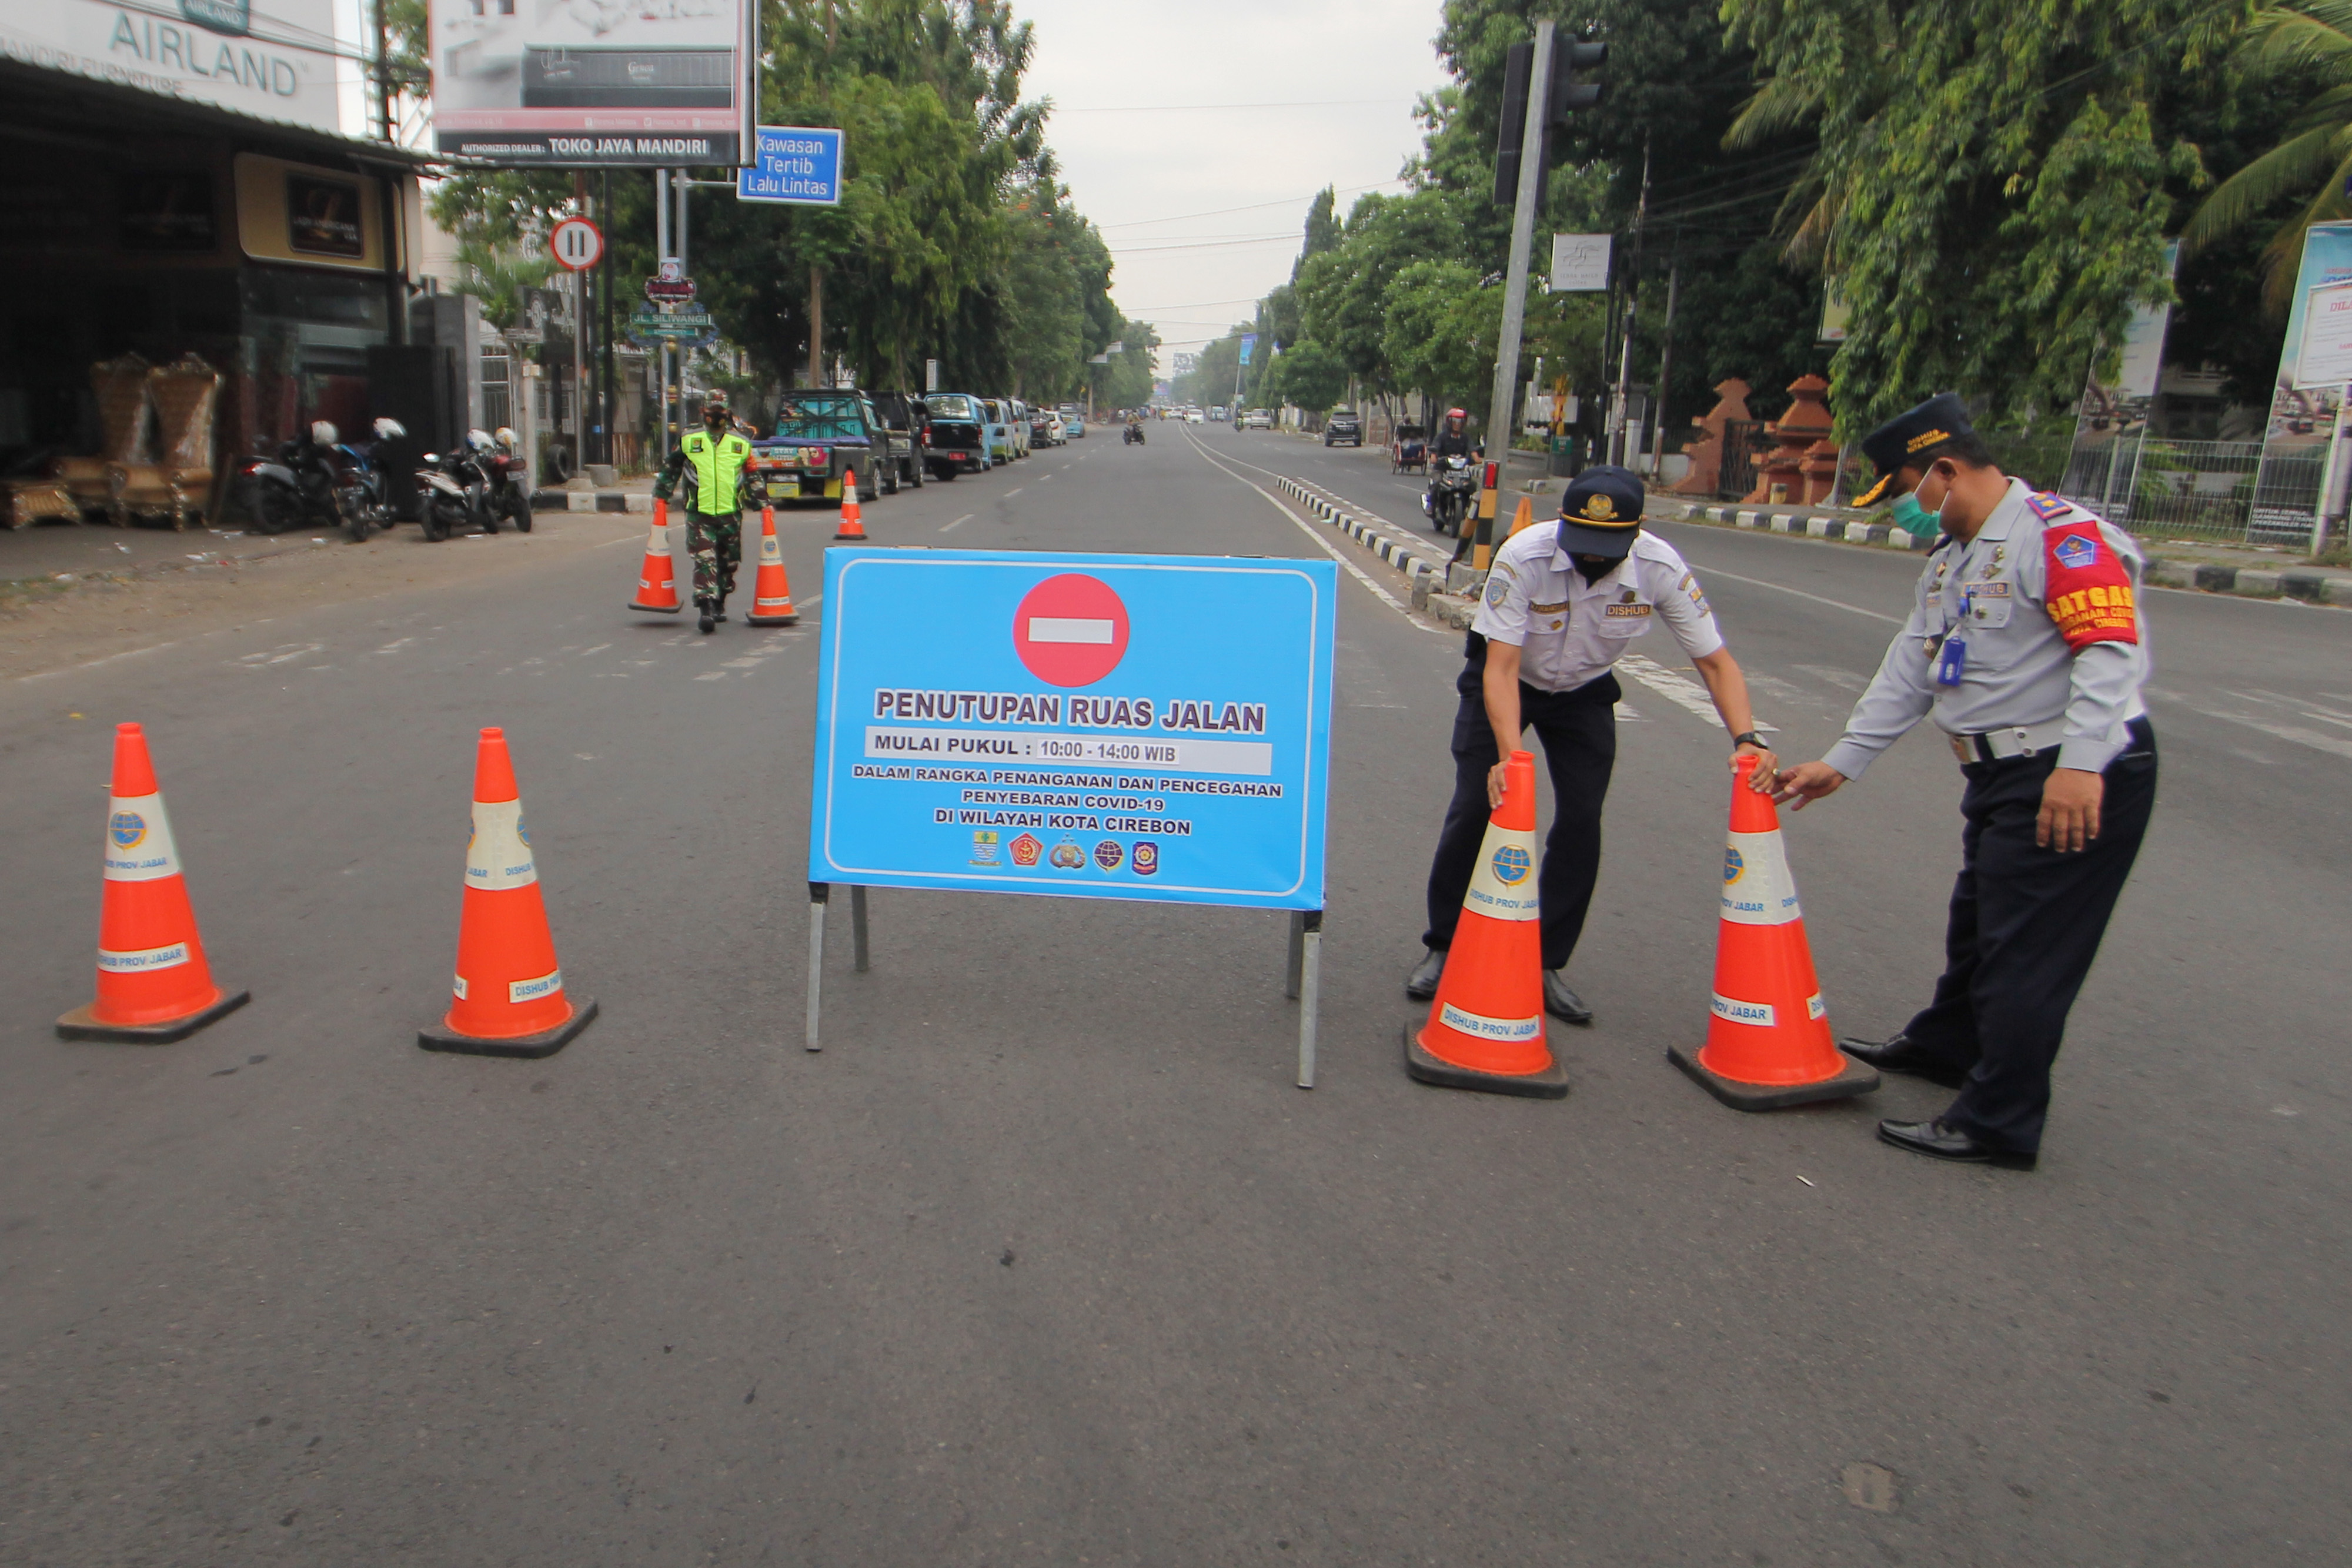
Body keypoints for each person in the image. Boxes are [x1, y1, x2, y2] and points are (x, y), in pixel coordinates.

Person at [1771, 393, 2157, 1171]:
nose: (1909, 511)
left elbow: (2110, 650)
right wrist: (1843, 758)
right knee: (1980, 920)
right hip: (2002, 774)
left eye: (1911, 489)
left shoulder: (2060, 536)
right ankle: (1950, 1043)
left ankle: (1998, 1119)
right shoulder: (1955, 556)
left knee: (2026, 951)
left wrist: (2082, 765)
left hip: (2067, 770)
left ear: (1946, 471)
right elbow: (1912, 664)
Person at [1406, 465, 1778, 1024]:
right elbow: (1500, 669)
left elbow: (1714, 661)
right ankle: (1444, 943)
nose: (1591, 560)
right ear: (1563, 524)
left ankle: (1544, 962)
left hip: (1583, 692)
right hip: (1511, 682)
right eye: (1582, 545)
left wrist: (1747, 738)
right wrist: (1511, 759)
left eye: (1607, 548)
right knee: (1479, 805)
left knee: (1582, 819)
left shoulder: (1659, 567)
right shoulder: (1524, 557)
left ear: (1637, 531)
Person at [653, 394, 764, 635]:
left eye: (721, 410)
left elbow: (752, 476)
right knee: (705, 560)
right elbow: (671, 468)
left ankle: (720, 600)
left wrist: (763, 504)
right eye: (712, 410)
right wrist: (660, 495)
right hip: (699, 513)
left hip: (731, 513)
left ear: (727, 412)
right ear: (703, 410)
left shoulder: (741, 443)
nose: (716, 415)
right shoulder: (689, 439)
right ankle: (705, 608)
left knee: (728, 562)